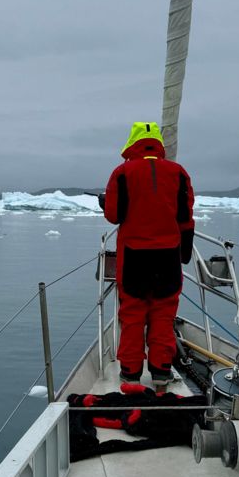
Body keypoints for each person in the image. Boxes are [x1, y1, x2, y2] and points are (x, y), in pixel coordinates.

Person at [101, 122, 195, 385]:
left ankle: (130, 372)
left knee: (132, 314)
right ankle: (161, 370)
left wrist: (105, 203)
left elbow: (113, 215)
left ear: (133, 142)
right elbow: (186, 216)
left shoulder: (122, 172)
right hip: (168, 257)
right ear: (157, 144)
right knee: (163, 314)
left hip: (134, 257)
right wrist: (184, 252)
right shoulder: (178, 173)